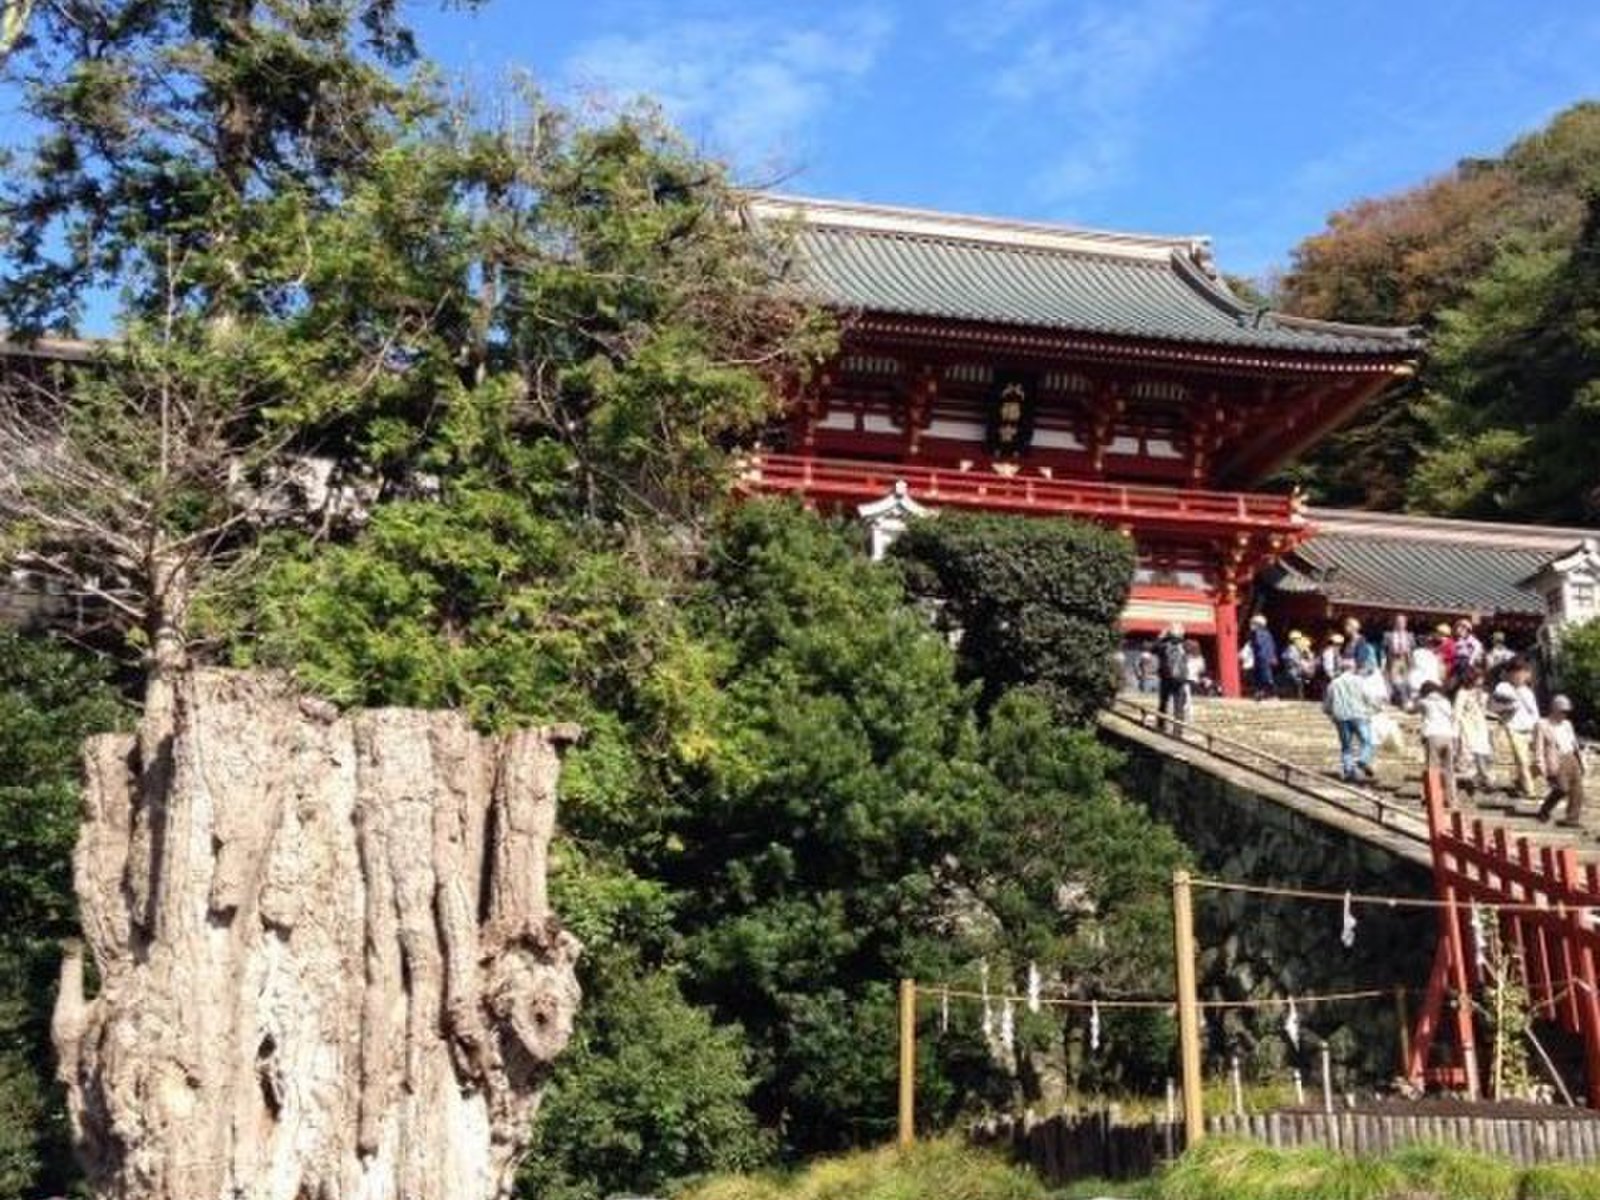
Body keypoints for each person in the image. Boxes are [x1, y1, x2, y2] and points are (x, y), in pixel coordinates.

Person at [1491, 659, 1541, 799]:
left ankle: (1521, 781)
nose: (1522, 676)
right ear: (1511, 674)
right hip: (1514, 728)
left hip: (1531, 730)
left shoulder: (1528, 691)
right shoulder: (1503, 688)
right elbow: (1494, 706)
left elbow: (1535, 713)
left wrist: (1539, 728)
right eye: (1518, 673)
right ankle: (1530, 792)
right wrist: (1510, 707)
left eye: (1524, 673)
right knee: (1522, 761)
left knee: (1540, 765)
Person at [1324, 656, 1379, 782]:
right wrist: (1376, 708)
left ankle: (1348, 770)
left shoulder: (1334, 683)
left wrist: (1330, 713)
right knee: (1367, 741)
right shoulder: (1360, 681)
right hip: (1359, 715)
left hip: (1341, 717)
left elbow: (1327, 704)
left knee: (1346, 746)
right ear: (1353, 668)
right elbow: (1369, 697)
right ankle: (1363, 760)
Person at [1535, 695, 1587, 826]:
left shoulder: (1567, 724)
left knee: (1577, 790)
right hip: (1556, 759)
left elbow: (1574, 743)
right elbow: (1539, 747)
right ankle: (1545, 810)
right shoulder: (1542, 724)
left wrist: (1581, 761)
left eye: (1566, 711)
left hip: (1571, 757)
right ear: (1554, 709)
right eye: (1562, 711)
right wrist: (1540, 764)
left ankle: (1572, 818)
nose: (1564, 714)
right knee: (1561, 788)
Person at [1417, 680, 1459, 806]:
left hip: (1433, 735)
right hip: (1448, 736)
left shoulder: (1424, 702)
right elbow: (1452, 717)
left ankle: (1430, 797)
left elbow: (1411, 709)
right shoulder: (1446, 702)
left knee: (1432, 769)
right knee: (1449, 770)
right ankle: (1451, 799)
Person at [1454, 667, 1494, 793]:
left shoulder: (1480, 693)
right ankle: (1478, 779)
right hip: (1468, 727)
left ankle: (1482, 778)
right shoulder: (1462, 693)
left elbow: (1483, 710)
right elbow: (1457, 712)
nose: (1481, 680)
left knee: (1483, 753)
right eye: (1479, 677)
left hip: (1480, 726)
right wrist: (1456, 729)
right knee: (1471, 753)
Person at [1155, 623, 1190, 734]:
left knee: (1163, 703)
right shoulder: (1186, 646)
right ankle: (1178, 731)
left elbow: (1153, 648)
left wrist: (1161, 636)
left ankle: (1161, 726)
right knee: (1179, 706)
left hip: (1166, 678)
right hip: (1180, 679)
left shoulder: (1164, 646)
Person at [1383, 614, 1416, 709]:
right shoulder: (1388, 635)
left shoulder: (1410, 635)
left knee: (1407, 680)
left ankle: (1407, 700)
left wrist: (1411, 660)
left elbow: (1413, 648)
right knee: (1394, 681)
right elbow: (1385, 649)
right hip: (1393, 659)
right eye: (1398, 622)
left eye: (1402, 622)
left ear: (1405, 624)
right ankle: (1397, 699)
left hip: (1406, 659)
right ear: (1395, 623)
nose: (1400, 624)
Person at [1247, 614, 1278, 700]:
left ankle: (1270, 694)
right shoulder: (1268, 633)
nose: (1251, 625)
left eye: (1253, 623)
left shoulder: (1256, 633)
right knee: (1263, 676)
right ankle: (1264, 694)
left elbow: (1258, 645)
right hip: (1264, 658)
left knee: (1264, 677)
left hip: (1261, 658)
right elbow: (1272, 646)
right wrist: (1272, 656)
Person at [1281, 630, 1312, 700]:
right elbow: (1292, 660)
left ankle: (1300, 696)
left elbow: (1307, 657)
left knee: (1303, 680)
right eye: (1296, 639)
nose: (1298, 641)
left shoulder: (1300, 648)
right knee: (1298, 681)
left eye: (1299, 639)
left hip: (1298, 669)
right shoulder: (1291, 649)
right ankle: (1298, 696)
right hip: (1293, 669)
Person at [1453, 619, 1485, 683]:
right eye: (1458, 628)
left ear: (1467, 630)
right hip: (1458, 663)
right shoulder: (1459, 641)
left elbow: (1477, 651)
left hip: (1468, 664)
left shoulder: (1473, 641)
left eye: (1462, 629)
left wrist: (1470, 661)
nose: (1459, 630)